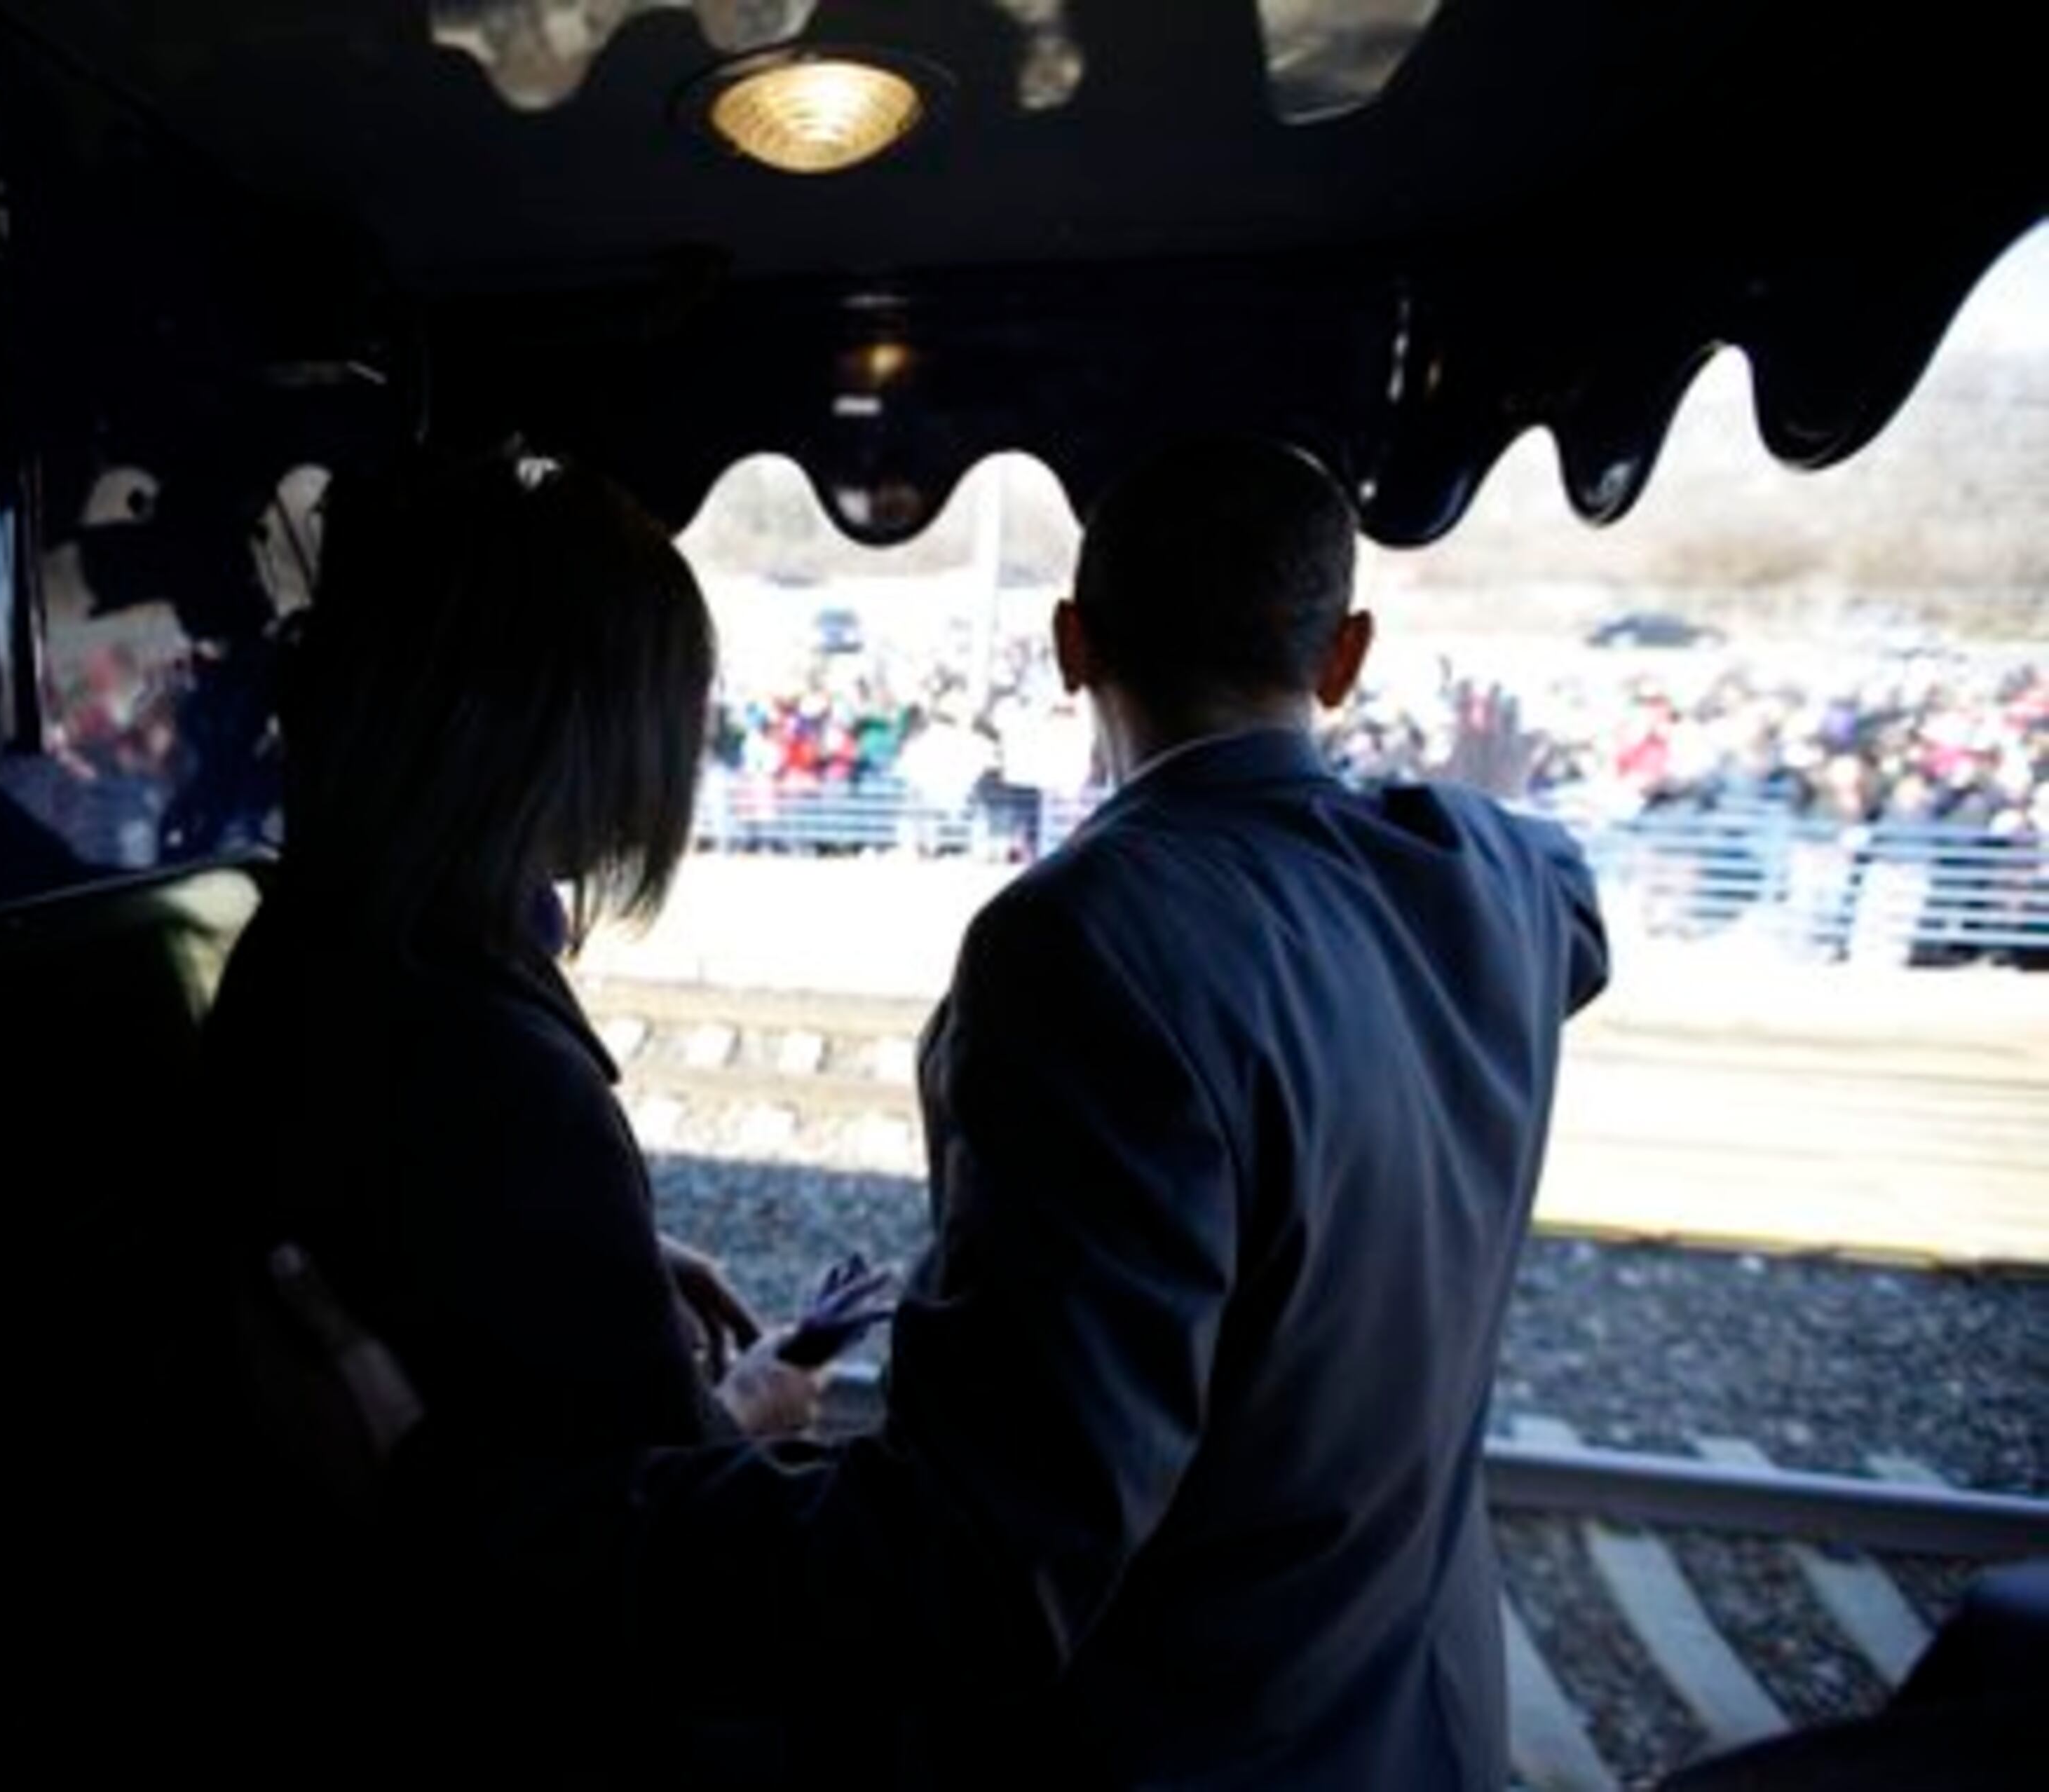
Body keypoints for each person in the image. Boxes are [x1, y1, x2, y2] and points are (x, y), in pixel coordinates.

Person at [257, 435, 1614, 1788]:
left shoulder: (1089, 945)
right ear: (1344, 656)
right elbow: (1565, 926)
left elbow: (979, 1574)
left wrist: (432, 1490)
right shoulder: (1506, 880)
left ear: (1075, 644)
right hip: (1423, 1730)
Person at [127, 448, 829, 1782]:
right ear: (564, 724)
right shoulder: (490, 1061)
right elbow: (625, 1569)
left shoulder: (323, 947)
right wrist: (740, 1409)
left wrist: (603, 1256)